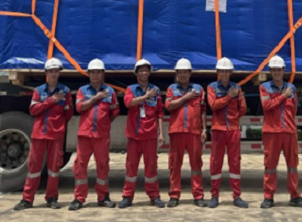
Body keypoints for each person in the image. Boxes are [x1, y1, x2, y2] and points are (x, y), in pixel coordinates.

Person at [14, 58, 73, 210]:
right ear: (46, 73)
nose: (54, 74)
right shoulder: (39, 91)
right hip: (39, 134)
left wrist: (58, 125)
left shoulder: (65, 91)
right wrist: (51, 100)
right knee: (34, 167)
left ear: (59, 73)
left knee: (54, 168)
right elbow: (33, 110)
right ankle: (27, 199)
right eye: (51, 71)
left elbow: (68, 113)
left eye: (56, 71)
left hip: (56, 135)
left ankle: (52, 198)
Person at [259, 55, 302, 209]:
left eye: (279, 70)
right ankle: (268, 197)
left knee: (293, 165)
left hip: (289, 131)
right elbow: (266, 106)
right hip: (272, 132)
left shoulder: (292, 88)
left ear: (283, 71)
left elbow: (293, 110)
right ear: (270, 71)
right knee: (270, 165)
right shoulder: (264, 87)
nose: (277, 73)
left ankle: (295, 196)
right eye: (274, 70)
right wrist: (283, 96)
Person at [69, 59, 120, 211]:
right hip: (85, 135)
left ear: (102, 74)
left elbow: (114, 111)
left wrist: (104, 124)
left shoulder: (110, 92)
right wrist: (95, 98)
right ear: (89, 74)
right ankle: (79, 198)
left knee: (103, 166)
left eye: (98, 72)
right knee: (80, 166)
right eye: (92, 72)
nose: (95, 75)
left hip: (101, 136)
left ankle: (103, 197)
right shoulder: (82, 90)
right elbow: (79, 107)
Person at [119, 59, 166, 209]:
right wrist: (145, 97)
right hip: (134, 136)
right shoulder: (131, 89)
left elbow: (159, 112)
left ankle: (154, 196)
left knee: (151, 167)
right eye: (141, 70)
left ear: (149, 72)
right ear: (136, 73)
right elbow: (128, 103)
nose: (144, 73)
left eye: (146, 70)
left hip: (150, 136)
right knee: (131, 167)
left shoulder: (155, 90)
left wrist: (161, 133)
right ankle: (127, 196)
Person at [206, 57, 248, 209]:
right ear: (218, 72)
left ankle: (237, 196)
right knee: (216, 162)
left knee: (235, 162)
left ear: (231, 72)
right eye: (222, 71)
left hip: (233, 130)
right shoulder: (211, 87)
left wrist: (234, 118)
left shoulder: (237, 88)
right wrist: (229, 96)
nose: (224, 74)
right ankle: (214, 196)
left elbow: (243, 108)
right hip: (218, 129)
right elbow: (213, 105)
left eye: (227, 71)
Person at [165, 58, 207, 208]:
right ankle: (174, 195)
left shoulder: (198, 89)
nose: (182, 75)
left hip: (194, 132)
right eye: (180, 72)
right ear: (177, 74)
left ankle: (198, 195)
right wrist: (185, 97)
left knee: (196, 165)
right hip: (177, 131)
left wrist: (204, 129)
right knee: (175, 165)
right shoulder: (171, 89)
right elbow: (169, 106)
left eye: (185, 72)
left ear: (190, 73)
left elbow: (203, 110)